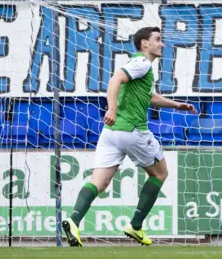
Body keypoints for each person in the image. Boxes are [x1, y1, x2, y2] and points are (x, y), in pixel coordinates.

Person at [62, 27, 196, 247]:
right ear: (145, 43)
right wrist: (112, 109)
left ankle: (73, 220)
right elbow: (115, 80)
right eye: (158, 40)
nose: (162, 44)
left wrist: (176, 105)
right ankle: (135, 225)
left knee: (99, 182)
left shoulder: (140, 67)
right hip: (131, 130)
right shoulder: (142, 63)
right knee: (160, 173)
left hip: (110, 135)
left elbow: (149, 96)